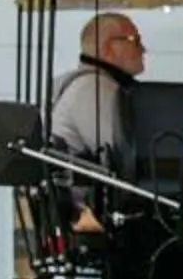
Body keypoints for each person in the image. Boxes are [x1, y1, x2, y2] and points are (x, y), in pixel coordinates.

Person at [48, 13, 144, 232]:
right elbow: (122, 155)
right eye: (135, 41)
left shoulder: (72, 82)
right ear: (109, 48)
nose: (143, 49)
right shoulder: (95, 89)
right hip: (92, 213)